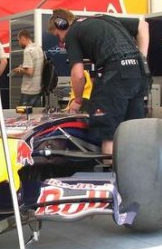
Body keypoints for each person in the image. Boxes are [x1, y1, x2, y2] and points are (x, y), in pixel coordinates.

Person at [48, 9, 150, 157]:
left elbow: (78, 74)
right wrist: (142, 58)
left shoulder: (72, 33)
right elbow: (143, 26)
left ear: (62, 25)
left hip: (114, 76)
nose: (60, 41)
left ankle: (109, 168)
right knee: (133, 130)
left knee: (108, 132)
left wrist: (77, 100)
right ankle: (134, 168)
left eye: (58, 35)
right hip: (138, 74)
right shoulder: (104, 19)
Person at [12, 29, 44, 107]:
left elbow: (30, 72)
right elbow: (35, 65)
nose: (19, 43)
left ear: (23, 38)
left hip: (28, 90)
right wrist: (23, 66)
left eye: (19, 40)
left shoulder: (27, 51)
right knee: (36, 113)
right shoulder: (38, 48)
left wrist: (19, 70)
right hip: (38, 89)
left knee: (22, 113)